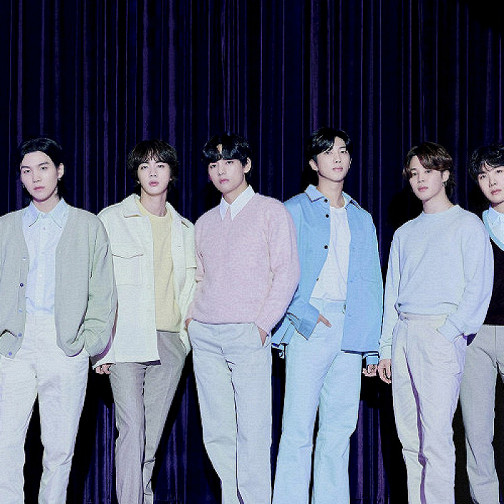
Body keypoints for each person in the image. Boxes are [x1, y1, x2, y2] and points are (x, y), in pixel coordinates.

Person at [0, 137, 117, 503]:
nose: (35, 177)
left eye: (43, 168)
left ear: (60, 171)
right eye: (26, 171)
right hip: (13, 346)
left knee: (60, 448)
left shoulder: (88, 226)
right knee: (5, 444)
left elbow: (103, 292)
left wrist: (87, 343)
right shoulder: (5, 226)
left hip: (65, 343)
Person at [185, 132, 299, 504]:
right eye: (213, 165)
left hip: (248, 335)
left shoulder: (271, 211)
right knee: (217, 432)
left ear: (246, 165)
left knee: (253, 429)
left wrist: (262, 325)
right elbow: (199, 277)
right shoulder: (204, 222)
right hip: (206, 335)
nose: (221, 171)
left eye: (229, 162)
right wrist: (192, 320)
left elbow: (287, 273)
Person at [271, 127, 383, 504]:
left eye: (343, 150)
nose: (337, 157)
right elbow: (275, 272)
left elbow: (372, 285)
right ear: (313, 162)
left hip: (351, 329)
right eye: (328, 151)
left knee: (338, 431)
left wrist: (370, 347)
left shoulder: (362, 218)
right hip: (309, 326)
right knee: (297, 429)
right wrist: (304, 313)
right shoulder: (293, 209)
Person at [377, 142, 493, 503]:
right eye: (414, 173)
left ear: (445, 175)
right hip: (404, 333)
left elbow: (478, 287)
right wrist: (386, 348)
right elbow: (392, 295)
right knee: (410, 440)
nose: (420, 179)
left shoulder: (468, 225)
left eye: (428, 171)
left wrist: (450, 332)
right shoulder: (404, 233)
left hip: (441, 333)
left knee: (437, 439)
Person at [95, 139, 195, 504]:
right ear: (136, 174)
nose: (152, 173)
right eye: (144, 166)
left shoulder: (186, 229)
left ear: (172, 173)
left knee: (151, 437)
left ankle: (142, 496)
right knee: (132, 430)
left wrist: (185, 341)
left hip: (170, 342)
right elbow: (98, 286)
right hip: (124, 340)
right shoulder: (111, 219)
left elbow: (191, 290)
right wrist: (101, 347)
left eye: (160, 165)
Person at [459, 143, 504, 504]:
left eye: (499, 172)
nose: (492, 181)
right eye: (483, 175)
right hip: (476, 337)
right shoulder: (471, 226)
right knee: (476, 431)